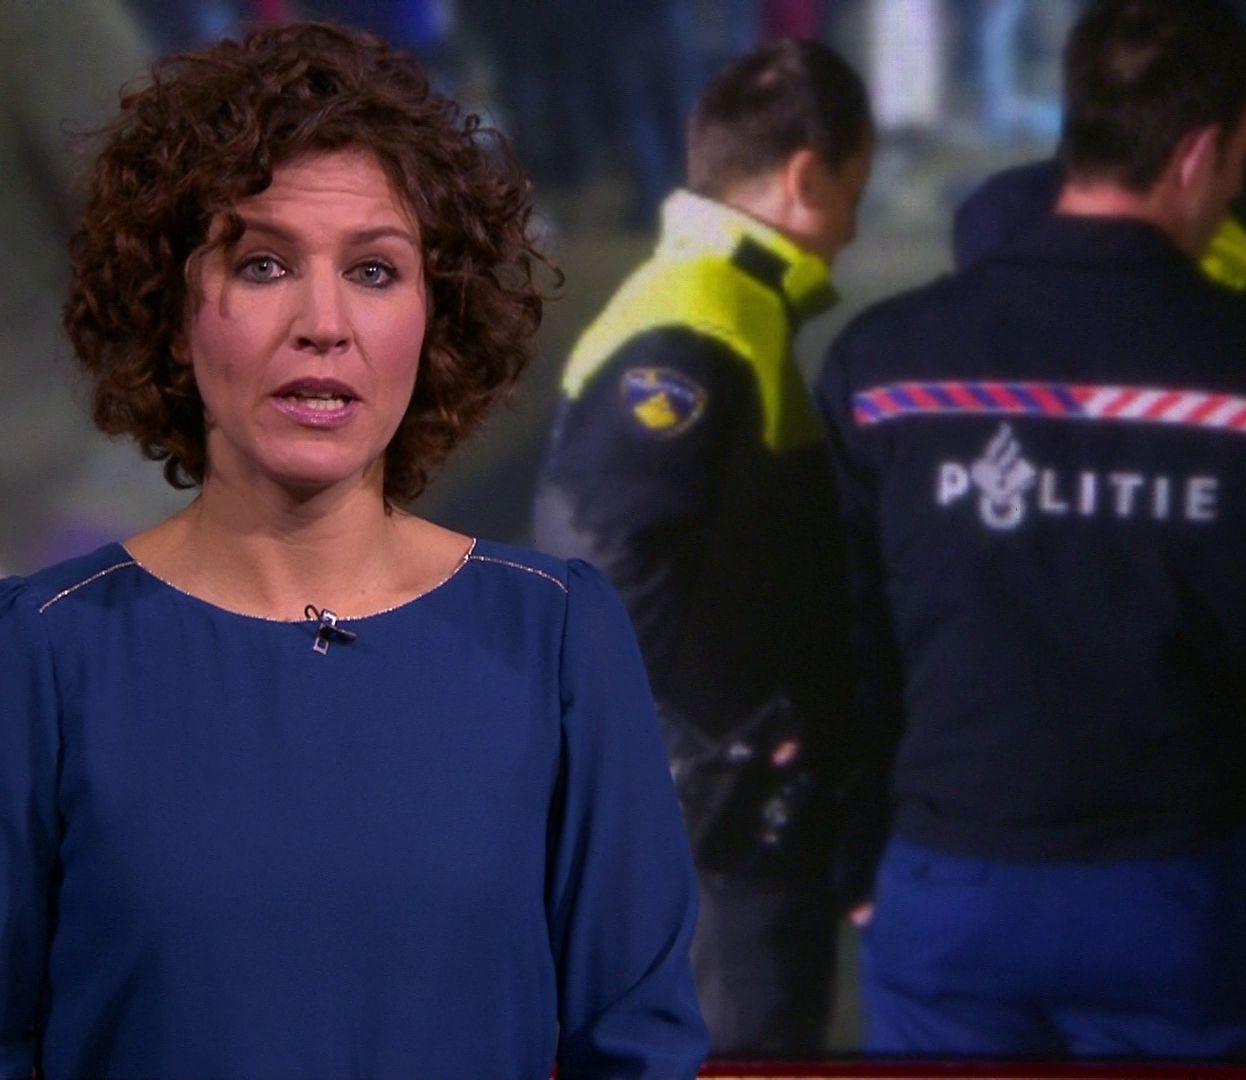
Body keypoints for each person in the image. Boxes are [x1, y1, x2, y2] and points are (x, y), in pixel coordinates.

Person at [0, 22, 708, 1079]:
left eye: (375, 270)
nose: (323, 322)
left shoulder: (555, 637)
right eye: (263, 263)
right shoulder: (31, 658)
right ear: (173, 309)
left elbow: (636, 1048)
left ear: (436, 316)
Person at [817, 0, 1246, 1058]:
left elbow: (837, 637)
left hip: (948, 885)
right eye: (1241, 161)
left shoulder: (883, 368)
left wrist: (855, 855)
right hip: (1179, 891)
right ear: (1198, 155)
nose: (1237, 189)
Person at [531, 38, 872, 1057]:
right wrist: (705, 767)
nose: (855, 229)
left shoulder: (719, 308)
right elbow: (605, 553)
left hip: (722, 817)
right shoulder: (696, 323)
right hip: (714, 841)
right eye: (854, 193)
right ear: (806, 178)